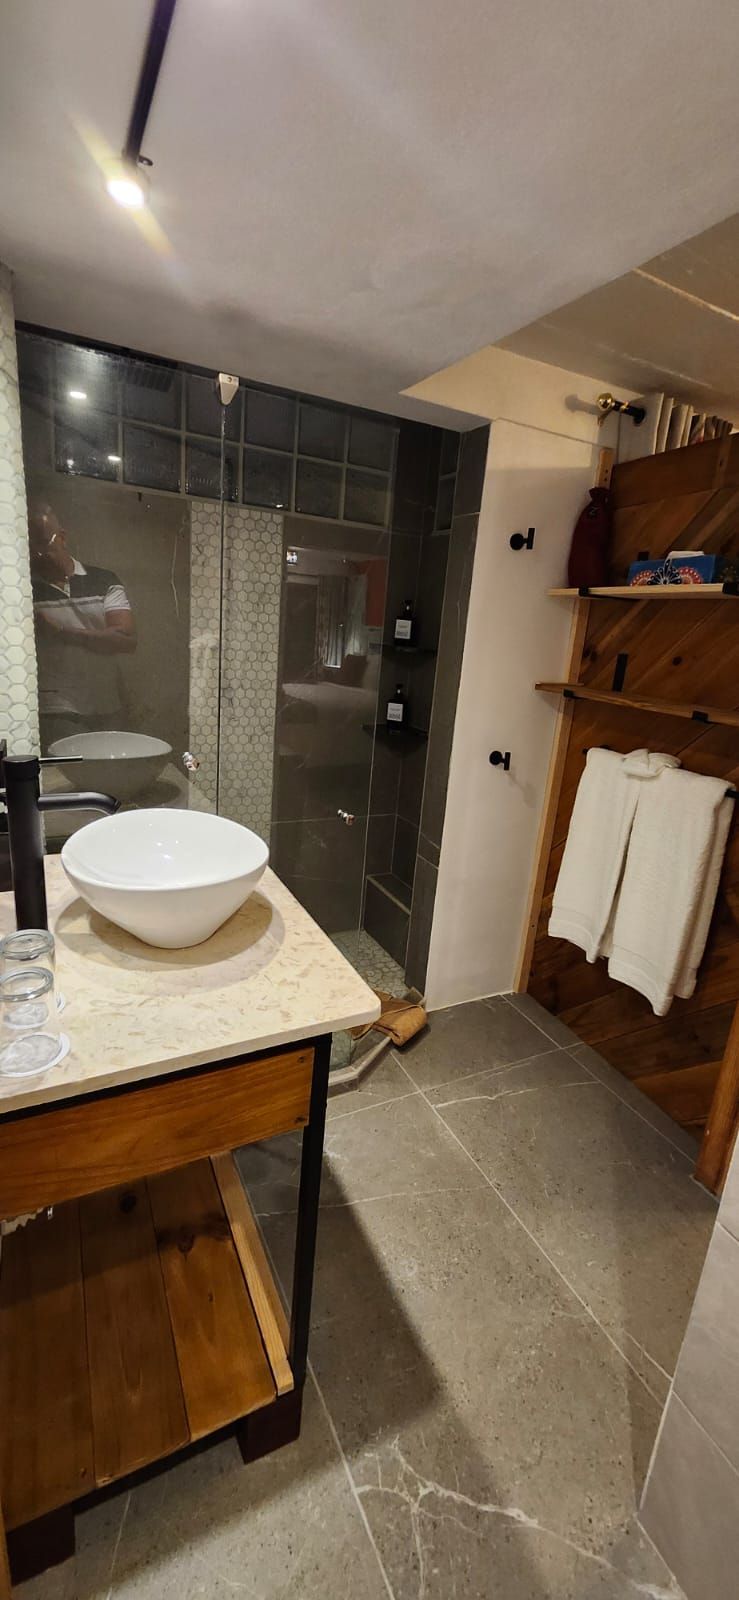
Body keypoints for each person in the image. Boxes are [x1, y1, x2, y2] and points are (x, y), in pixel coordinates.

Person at [28, 503, 137, 748]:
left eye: (44, 542)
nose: (39, 553)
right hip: (55, 706)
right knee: (69, 777)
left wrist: (61, 632)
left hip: (108, 701)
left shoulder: (103, 580)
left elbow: (126, 641)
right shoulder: (25, 589)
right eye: (31, 545)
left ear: (62, 538)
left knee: (112, 776)